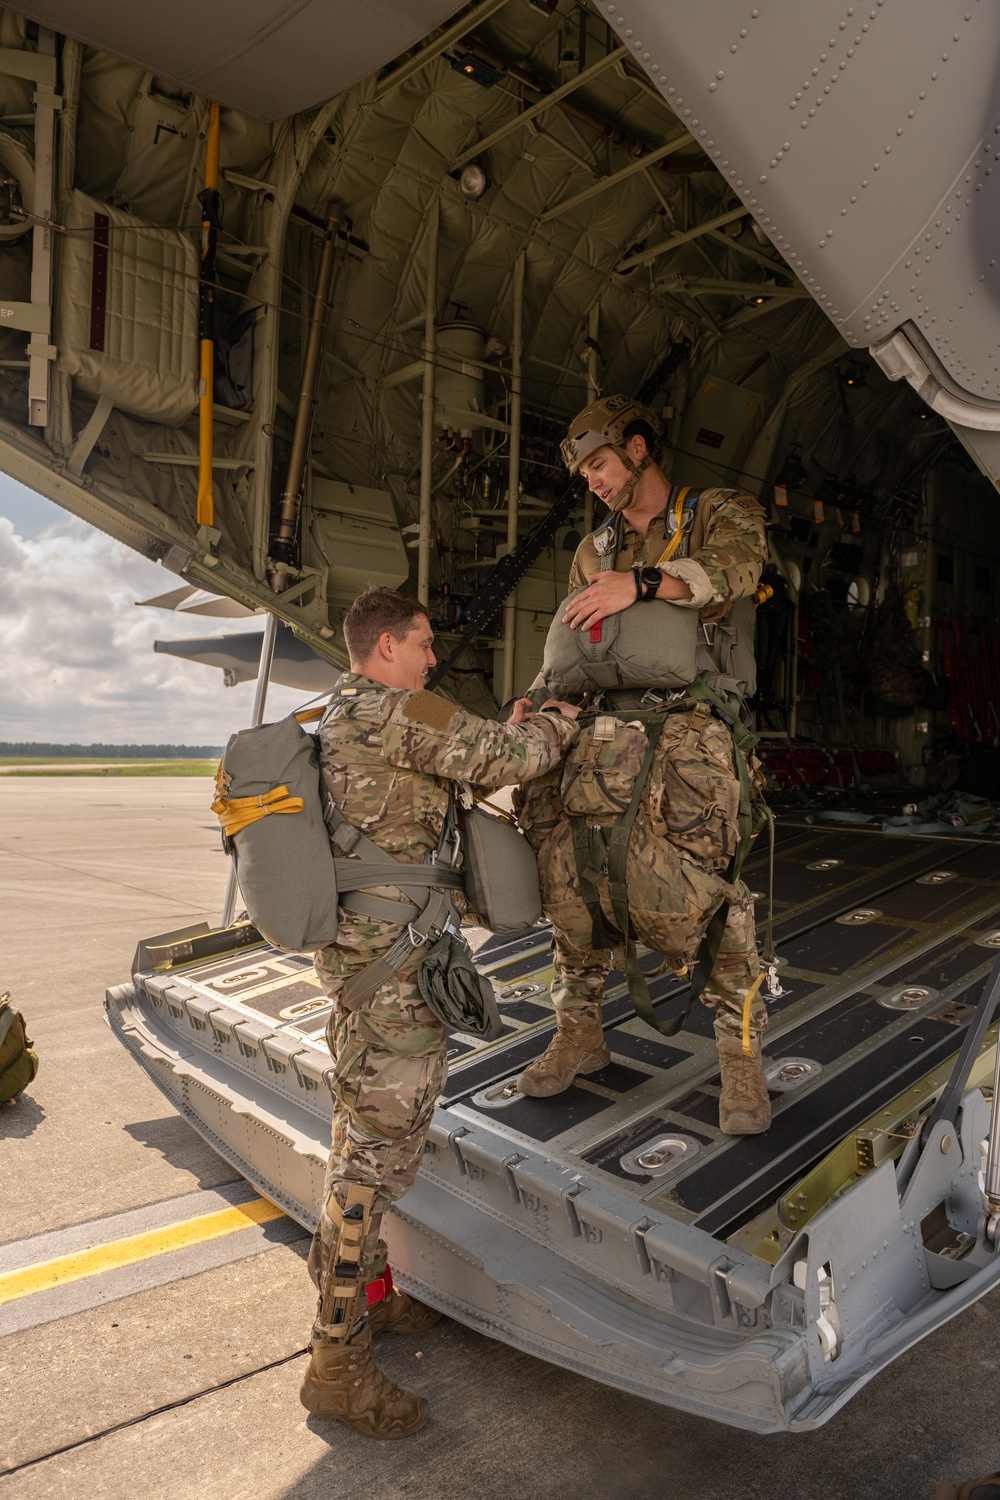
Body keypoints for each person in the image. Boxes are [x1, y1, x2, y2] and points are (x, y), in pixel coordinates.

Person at [300, 585, 579, 1440]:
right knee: (369, 1170)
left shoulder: (342, 710)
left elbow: (458, 750)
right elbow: (506, 759)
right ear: (386, 646)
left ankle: (373, 1299)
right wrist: (556, 722)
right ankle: (335, 1366)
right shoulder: (399, 710)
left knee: (357, 1139)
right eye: (421, 644)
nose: (431, 659)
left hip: (360, 964)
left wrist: (509, 721)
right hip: (394, 977)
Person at [513, 394, 772, 1136]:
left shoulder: (718, 510)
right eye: (585, 473)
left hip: (686, 728)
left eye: (599, 463)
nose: (593, 481)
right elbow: (573, 643)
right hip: (601, 731)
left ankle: (740, 1062)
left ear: (635, 447)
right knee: (572, 879)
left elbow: (733, 572)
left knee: (700, 894)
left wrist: (646, 582)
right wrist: (531, 704)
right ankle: (579, 1033)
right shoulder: (590, 549)